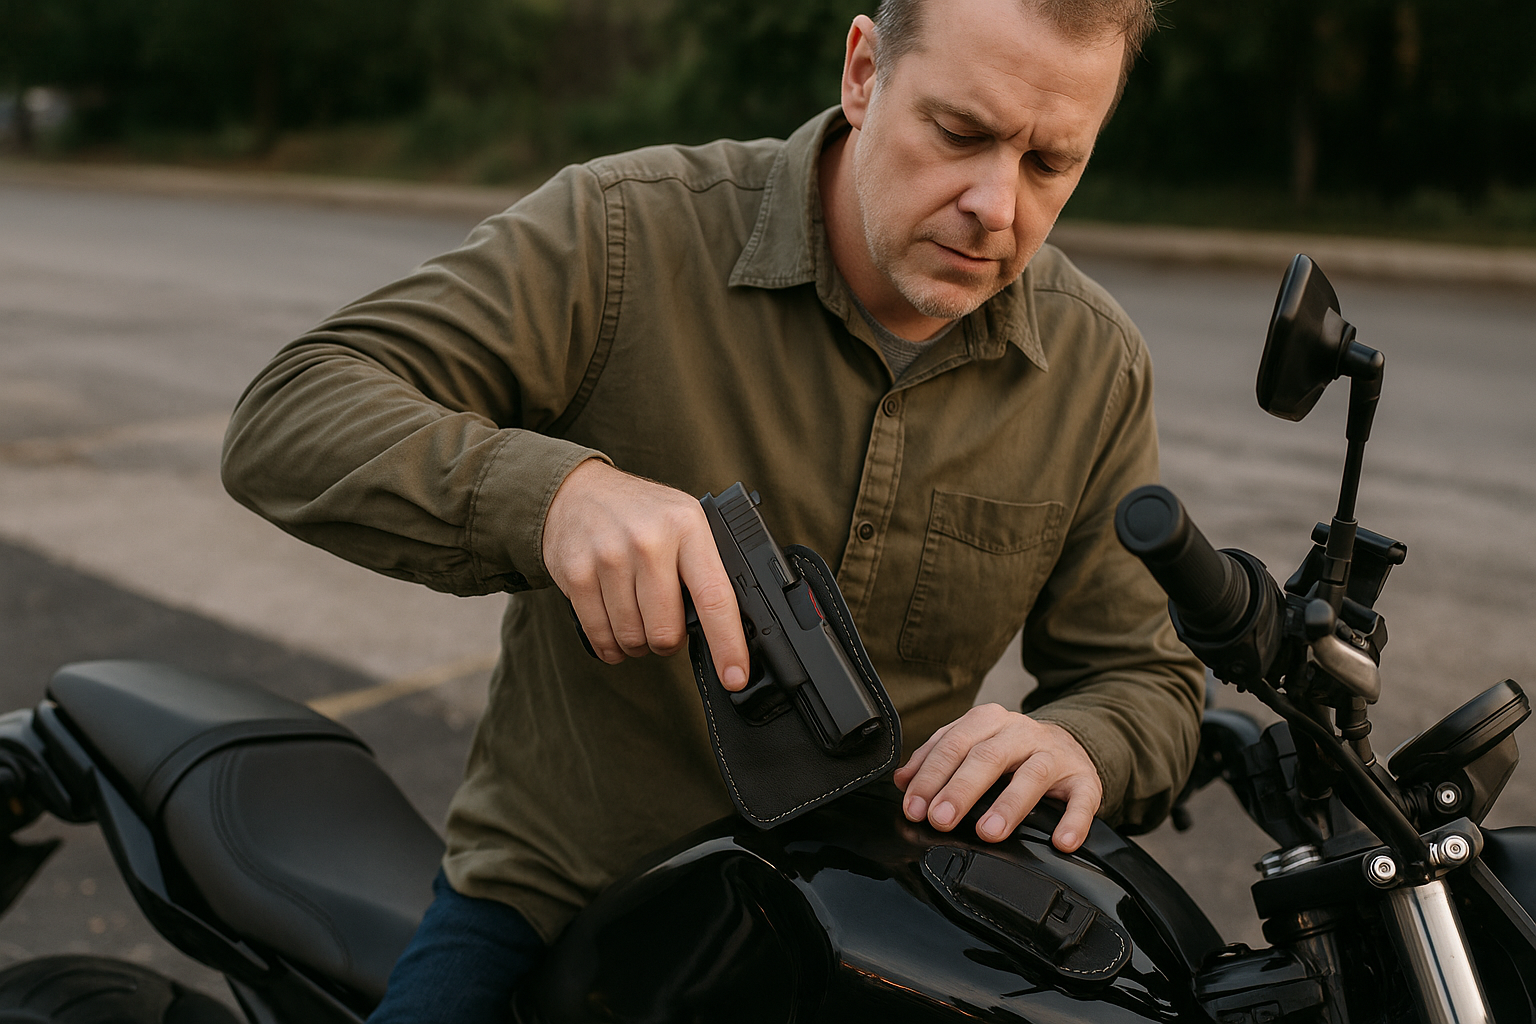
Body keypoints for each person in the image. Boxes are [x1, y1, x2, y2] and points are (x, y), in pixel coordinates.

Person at [221, 0, 1204, 1019]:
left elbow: (1144, 675)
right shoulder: (623, 232)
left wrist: (1084, 740)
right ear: (863, 73)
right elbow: (292, 410)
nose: (997, 207)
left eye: (1051, 164)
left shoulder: (1096, 364)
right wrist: (554, 496)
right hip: (562, 893)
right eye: (960, 134)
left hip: (871, 920)